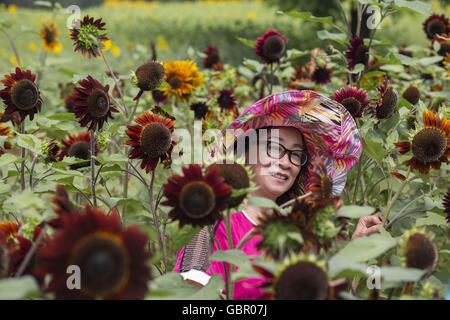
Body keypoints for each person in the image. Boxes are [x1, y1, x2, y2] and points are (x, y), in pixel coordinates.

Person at [173, 90, 384, 299]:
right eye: (274, 147)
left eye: (295, 154)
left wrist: (357, 248)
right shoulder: (212, 223)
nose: (285, 162)